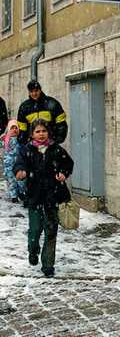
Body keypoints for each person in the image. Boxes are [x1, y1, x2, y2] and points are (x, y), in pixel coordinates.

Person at [14, 118, 74, 278]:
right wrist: (21, 171)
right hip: (35, 197)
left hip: (53, 196)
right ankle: (33, 251)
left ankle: (48, 264)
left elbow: (68, 164)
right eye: (38, 131)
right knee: (34, 231)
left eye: (44, 131)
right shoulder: (26, 150)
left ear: (48, 133)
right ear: (32, 134)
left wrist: (63, 173)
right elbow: (19, 164)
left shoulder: (56, 149)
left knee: (51, 231)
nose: (41, 134)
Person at [17, 80, 68, 145]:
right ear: (29, 92)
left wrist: (57, 139)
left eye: (36, 91)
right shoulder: (24, 107)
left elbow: (61, 123)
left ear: (40, 90)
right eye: (31, 91)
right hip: (33, 145)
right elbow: (22, 129)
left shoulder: (52, 103)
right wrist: (25, 142)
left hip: (50, 143)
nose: (34, 93)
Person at [0, 120, 25, 202]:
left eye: (16, 128)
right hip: (8, 164)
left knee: (20, 179)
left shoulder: (20, 139)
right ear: (8, 130)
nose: (14, 130)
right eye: (12, 128)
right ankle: (13, 196)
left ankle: (21, 193)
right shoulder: (5, 139)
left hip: (18, 163)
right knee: (11, 180)